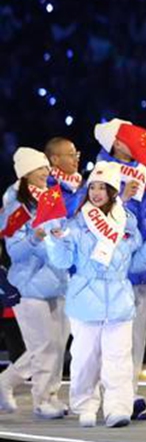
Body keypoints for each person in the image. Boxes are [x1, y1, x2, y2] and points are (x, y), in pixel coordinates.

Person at [42, 162, 146, 428]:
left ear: (113, 191)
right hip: (86, 298)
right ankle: (86, 405)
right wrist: (54, 239)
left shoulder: (128, 221)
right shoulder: (77, 223)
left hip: (119, 299)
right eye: (93, 187)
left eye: (103, 188)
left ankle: (117, 408)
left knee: (118, 357)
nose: (97, 193)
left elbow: (134, 265)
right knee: (86, 358)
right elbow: (63, 261)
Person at [92, 119, 146, 421]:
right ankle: (109, 394)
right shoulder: (100, 176)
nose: (136, 139)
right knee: (113, 335)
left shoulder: (145, 172)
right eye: (127, 136)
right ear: (114, 144)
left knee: (137, 336)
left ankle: (131, 391)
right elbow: (93, 216)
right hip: (117, 267)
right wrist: (122, 200)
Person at [0, 148, 70, 418]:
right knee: (43, 347)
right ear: (27, 172)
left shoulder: (52, 198)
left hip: (58, 281)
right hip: (29, 285)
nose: (47, 172)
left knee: (57, 345)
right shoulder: (16, 207)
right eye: (41, 168)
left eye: (46, 168)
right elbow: (14, 250)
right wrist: (35, 238)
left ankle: (38, 391)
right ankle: (41, 401)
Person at [44, 137, 85, 213]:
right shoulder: (46, 184)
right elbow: (67, 211)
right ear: (55, 160)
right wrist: (84, 191)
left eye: (76, 154)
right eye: (71, 155)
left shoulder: (79, 183)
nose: (76, 159)